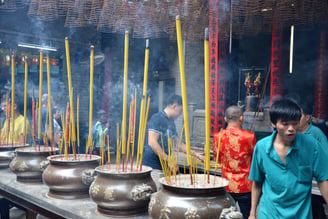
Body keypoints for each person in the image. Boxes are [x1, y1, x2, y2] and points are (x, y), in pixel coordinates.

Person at [248, 99, 328, 219]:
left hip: (301, 215)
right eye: (285, 124)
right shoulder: (261, 147)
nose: (291, 128)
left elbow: (323, 180)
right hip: (269, 214)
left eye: (295, 123)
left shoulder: (312, 146)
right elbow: (257, 182)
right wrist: (252, 213)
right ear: (274, 124)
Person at [212, 105, 256, 219]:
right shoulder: (249, 137)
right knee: (247, 215)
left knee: (226, 216)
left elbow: (217, 157)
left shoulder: (218, 137)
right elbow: (255, 158)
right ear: (241, 118)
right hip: (245, 185)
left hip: (226, 184)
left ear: (225, 119)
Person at [142, 94, 204, 172]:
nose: (181, 114)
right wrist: (168, 159)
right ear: (174, 107)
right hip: (152, 164)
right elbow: (152, 142)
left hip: (164, 163)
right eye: (180, 111)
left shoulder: (170, 122)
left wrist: (196, 155)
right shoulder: (157, 118)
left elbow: (179, 144)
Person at [297, 101, 328, 219]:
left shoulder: (316, 134)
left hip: (314, 185)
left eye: (298, 116)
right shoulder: (291, 133)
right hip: (298, 184)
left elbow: (325, 156)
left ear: (307, 117)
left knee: (315, 212)